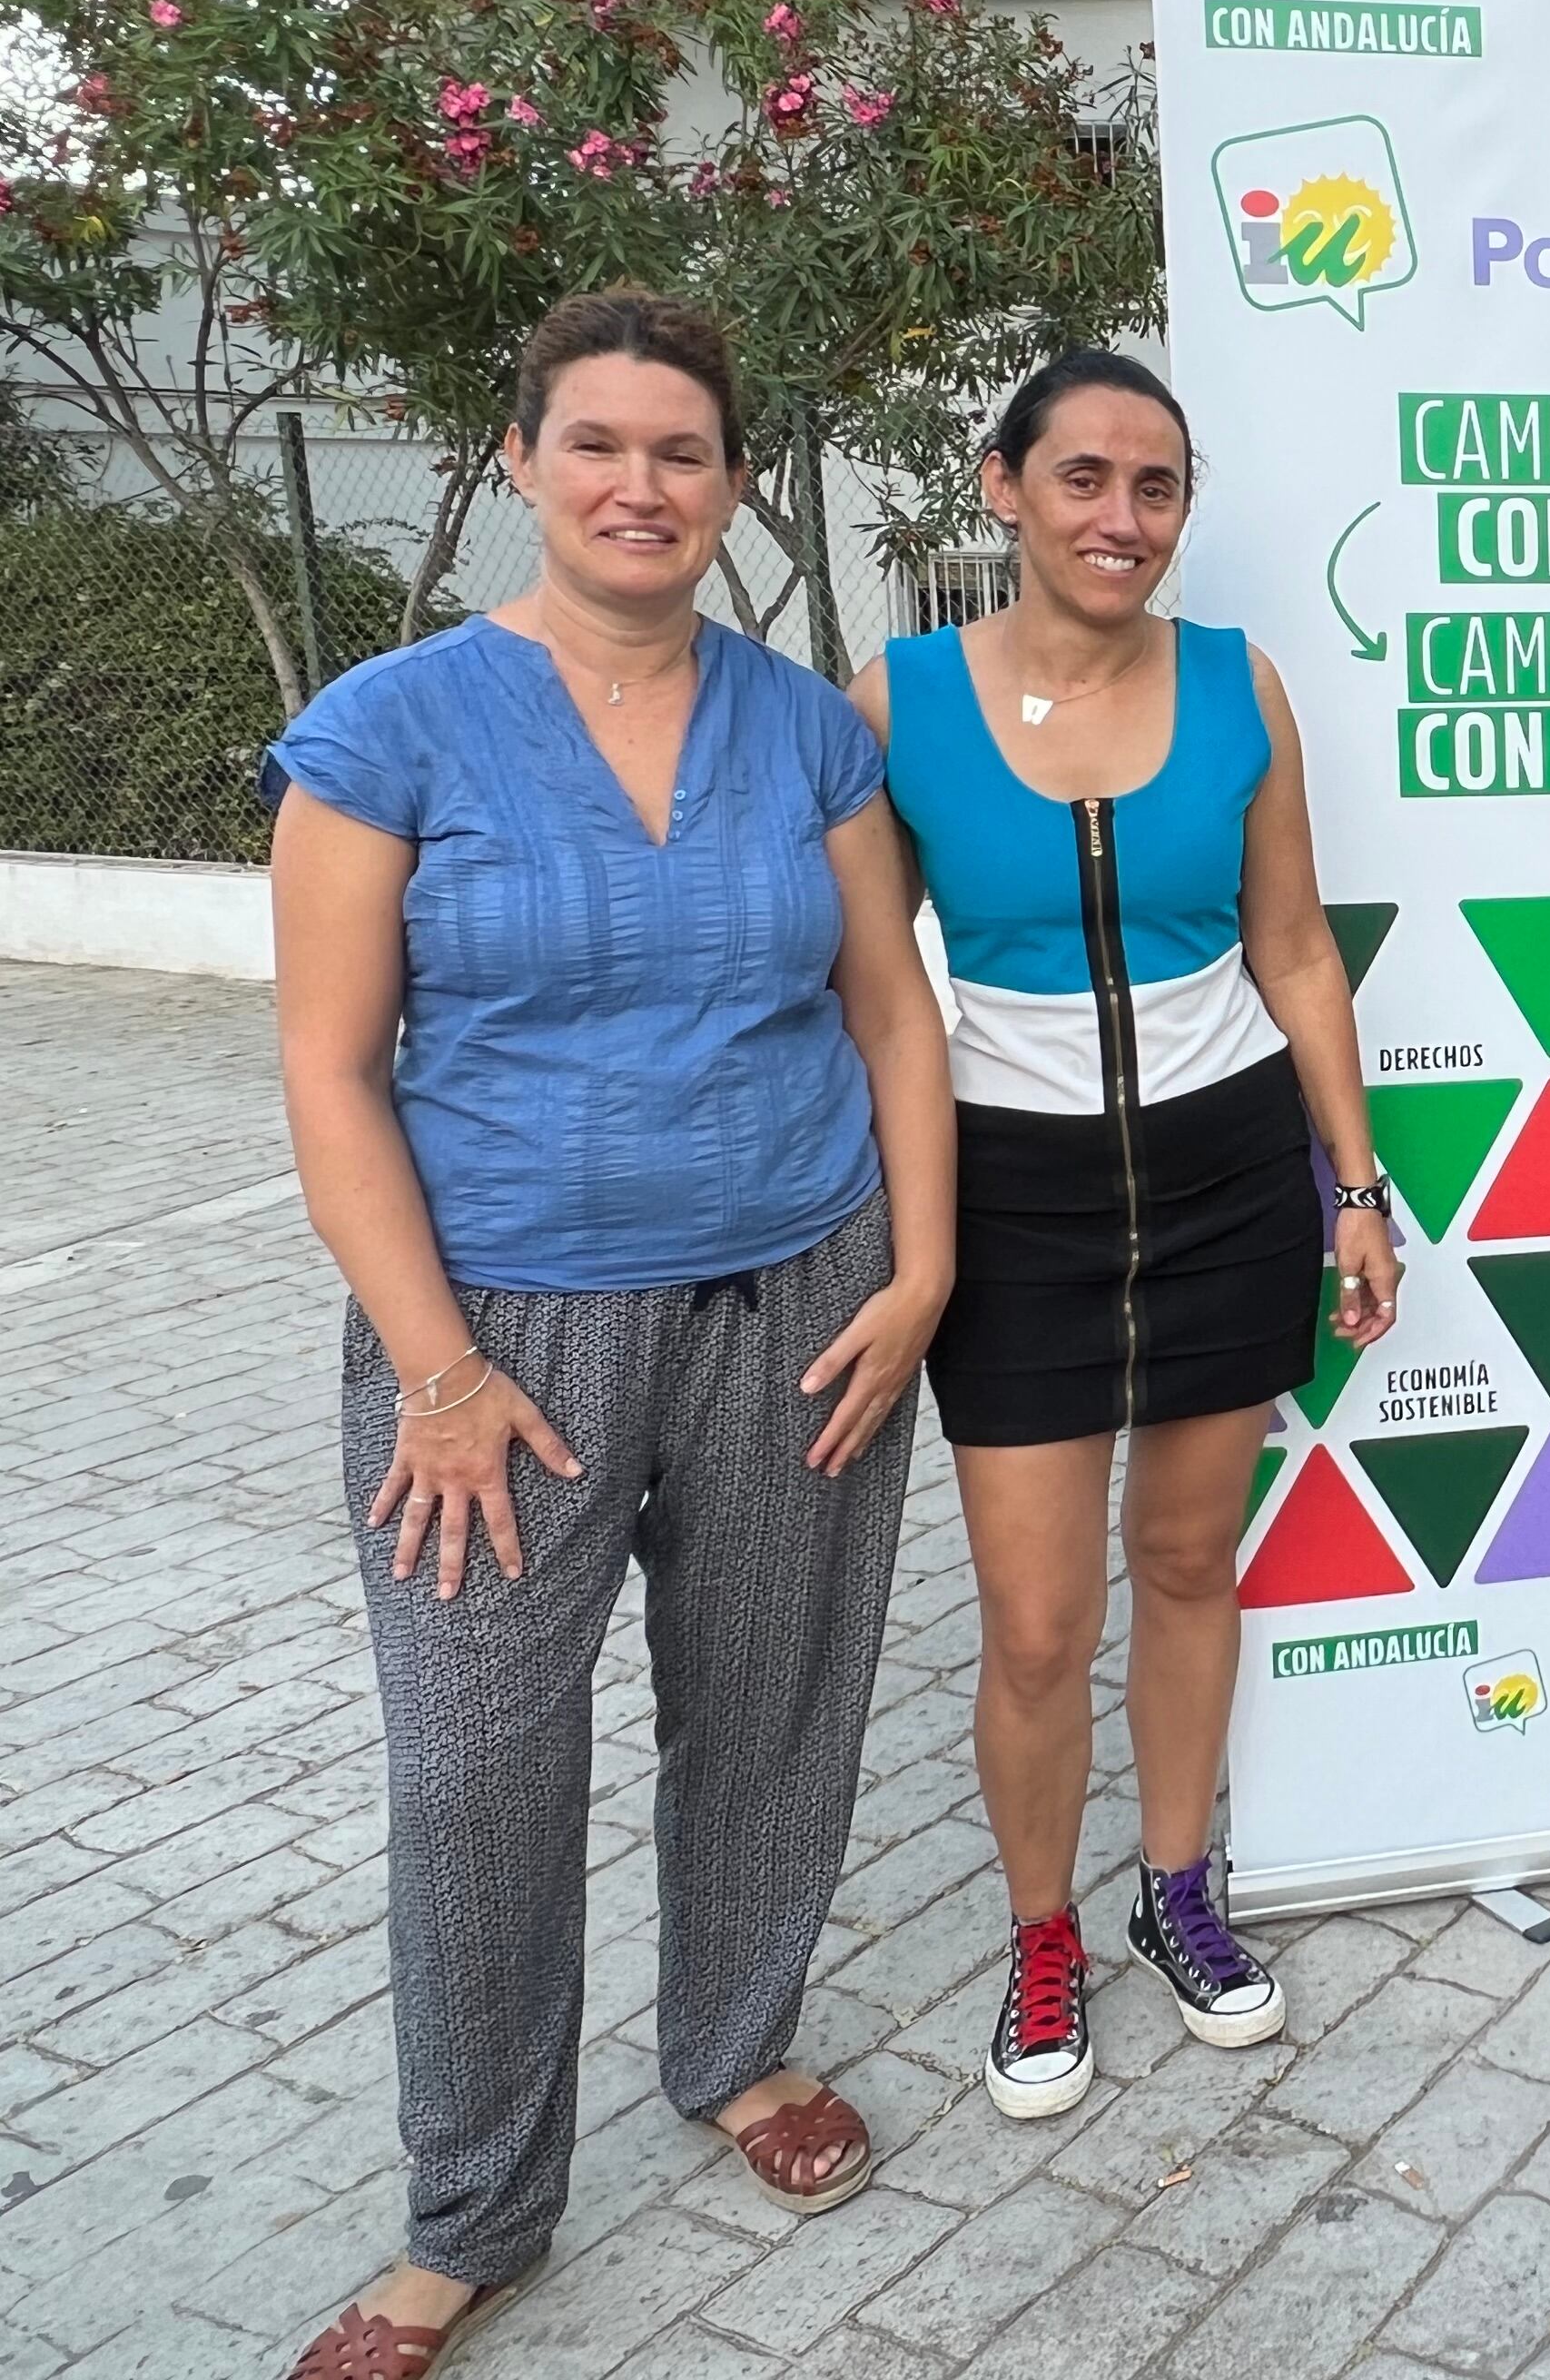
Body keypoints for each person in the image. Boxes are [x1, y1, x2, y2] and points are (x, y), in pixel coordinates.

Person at [270, 291, 955, 2378]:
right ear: (519, 463)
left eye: (682, 451)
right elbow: (328, 1072)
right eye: (598, 445)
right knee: (477, 1767)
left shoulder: (808, 727)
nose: (640, 484)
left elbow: (886, 1007)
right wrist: (439, 1369)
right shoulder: (390, 727)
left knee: (768, 1702)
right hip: (495, 1346)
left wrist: (918, 1272)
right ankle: (471, 2213)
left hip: (806, 1298)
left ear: (734, 482)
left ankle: (736, 2051)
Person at [855, 348, 1399, 2117]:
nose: (1122, 518)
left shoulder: (1244, 687)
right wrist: (918, 1247)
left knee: (1185, 1562)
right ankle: (1041, 1934)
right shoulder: (899, 700)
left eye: (1156, 487)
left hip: (1232, 1171)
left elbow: (1299, 949)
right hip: (1012, 1189)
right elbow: (881, 1002)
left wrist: (1360, 1188)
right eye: (1083, 478)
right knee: (1031, 1622)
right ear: (1002, 487)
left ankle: (1178, 1889)